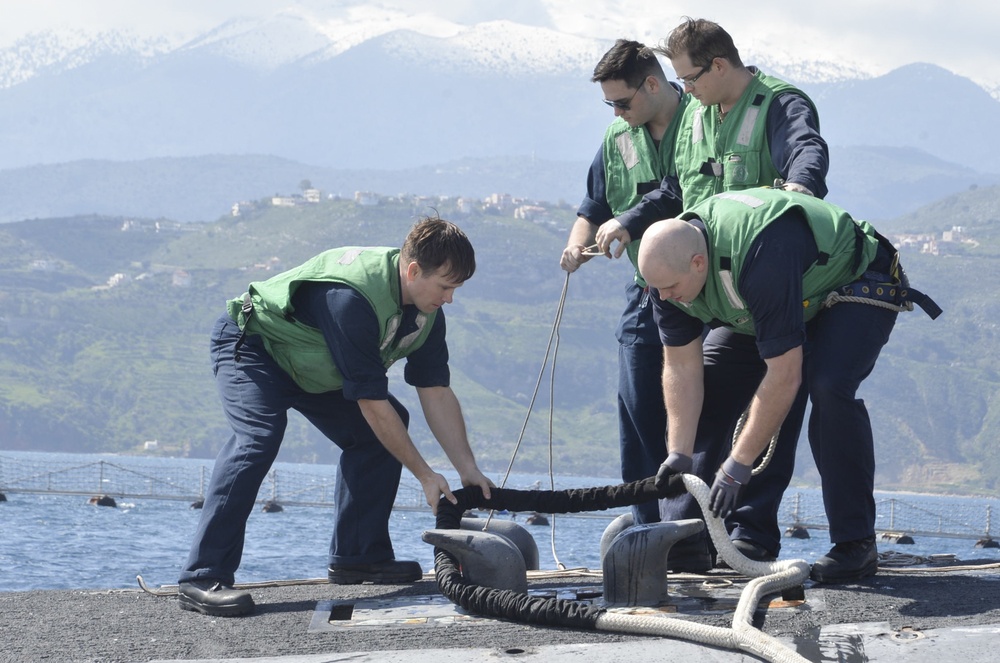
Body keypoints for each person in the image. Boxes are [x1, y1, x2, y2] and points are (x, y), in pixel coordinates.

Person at [177, 216, 495, 616]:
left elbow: (436, 392)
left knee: (381, 432)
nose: (450, 298)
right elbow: (371, 405)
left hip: (314, 369)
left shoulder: (428, 315)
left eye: (456, 289)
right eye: (445, 287)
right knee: (259, 437)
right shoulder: (351, 297)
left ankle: (358, 557)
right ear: (414, 271)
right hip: (256, 349)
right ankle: (202, 576)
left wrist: (468, 469)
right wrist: (426, 476)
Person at [603, 17, 830, 570]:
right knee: (697, 407)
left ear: (720, 66)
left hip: (773, 282)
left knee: (773, 400)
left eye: (690, 78)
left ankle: (752, 534)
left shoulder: (778, 104)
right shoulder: (694, 118)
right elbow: (675, 191)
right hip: (710, 285)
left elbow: (807, 151)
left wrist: (798, 189)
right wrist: (630, 222)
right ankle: (690, 533)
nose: (685, 90)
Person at [639, 188, 940, 583]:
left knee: (830, 386)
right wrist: (679, 453)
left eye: (669, 289)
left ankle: (856, 544)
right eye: (656, 289)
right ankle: (686, 539)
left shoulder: (761, 254)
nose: (663, 298)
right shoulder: (666, 274)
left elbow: (783, 375)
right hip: (774, 302)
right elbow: (680, 367)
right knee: (712, 383)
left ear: (699, 263)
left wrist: (736, 466)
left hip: (851, 284)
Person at [559, 39, 687, 528]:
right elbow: (593, 207)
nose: (616, 112)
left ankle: (690, 526)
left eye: (623, 102)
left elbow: (676, 190)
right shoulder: (617, 138)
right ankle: (647, 524)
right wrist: (576, 246)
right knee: (635, 405)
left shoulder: (701, 123)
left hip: (700, 290)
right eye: (609, 103)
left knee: (691, 411)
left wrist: (628, 221)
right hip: (644, 289)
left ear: (652, 84)